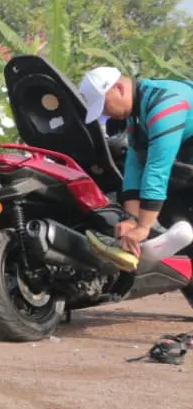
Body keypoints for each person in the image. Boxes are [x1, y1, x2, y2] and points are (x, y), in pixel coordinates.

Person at [78, 67, 193, 270]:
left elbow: (158, 168)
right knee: (159, 204)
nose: (105, 113)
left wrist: (143, 227)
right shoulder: (137, 114)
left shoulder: (164, 105)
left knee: (159, 197)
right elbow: (134, 165)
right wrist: (131, 219)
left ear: (119, 88)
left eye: (104, 105)